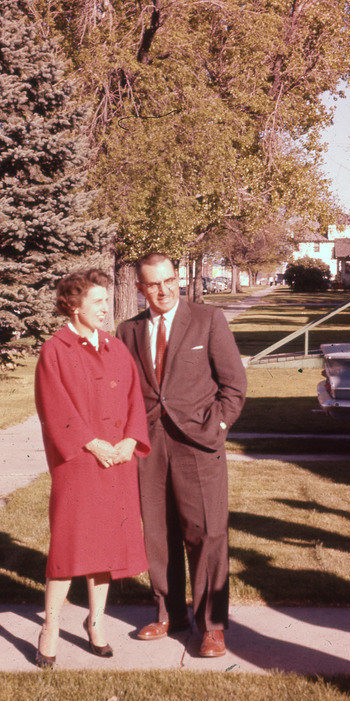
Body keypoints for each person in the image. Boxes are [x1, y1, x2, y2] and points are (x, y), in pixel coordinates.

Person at [116, 253, 247, 657]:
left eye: (169, 280)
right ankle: (169, 613)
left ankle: (211, 625)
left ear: (180, 278)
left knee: (206, 533)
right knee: (159, 532)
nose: (164, 289)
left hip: (199, 445)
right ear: (140, 289)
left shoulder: (208, 320)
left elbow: (234, 384)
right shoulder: (129, 331)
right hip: (151, 446)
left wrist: (217, 428)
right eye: (153, 284)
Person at [34, 268, 151, 668]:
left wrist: (131, 440)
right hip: (78, 462)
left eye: (106, 301)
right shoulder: (55, 349)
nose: (106, 309)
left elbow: (137, 398)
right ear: (74, 305)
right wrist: (90, 442)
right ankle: (50, 627)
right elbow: (54, 406)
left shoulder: (116, 347)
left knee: (105, 548)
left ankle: (95, 623)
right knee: (70, 547)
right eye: (98, 302)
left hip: (118, 460)